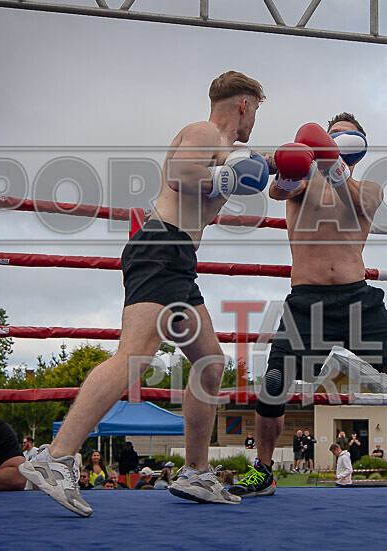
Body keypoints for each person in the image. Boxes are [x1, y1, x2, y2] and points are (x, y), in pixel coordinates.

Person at [17, 71, 270, 515]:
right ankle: (55, 457)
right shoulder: (204, 131)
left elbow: (244, 174)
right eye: (257, 111)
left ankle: (195, 472)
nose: (255, 123)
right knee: (133, 357)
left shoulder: (228, 152)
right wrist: (228, 178)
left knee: (210, 364)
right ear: (245, 105)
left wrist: (281, 168)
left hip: (177, 260)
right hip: (159, 247)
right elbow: (180, 175)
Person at [229, 114, 387, 499]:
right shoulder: (302, 181)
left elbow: (358, 197)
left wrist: (331, 163)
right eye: (334, 136)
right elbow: (278, 190)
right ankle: (263, 470)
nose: (340, 141)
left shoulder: (369, 190)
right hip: (307, 302)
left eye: (348, 136)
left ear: (358, 146)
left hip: (357, 300)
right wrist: (273, 160)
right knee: (275, 384)